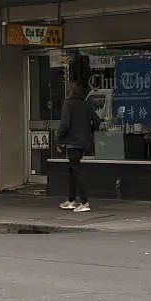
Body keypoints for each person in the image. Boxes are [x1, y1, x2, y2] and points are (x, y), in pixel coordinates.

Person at [57, 82, 101, 213]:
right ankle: (71, 200)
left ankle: (84, 202)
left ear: (69, 92)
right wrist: (89, 131)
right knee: (72, 170)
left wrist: (59, 138)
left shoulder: (68, 104)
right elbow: (97, 121)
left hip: (72, 142)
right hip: (83, 143)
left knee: (76, 170)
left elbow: (64, 124)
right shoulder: (85, 104)